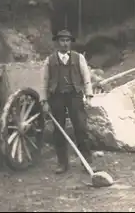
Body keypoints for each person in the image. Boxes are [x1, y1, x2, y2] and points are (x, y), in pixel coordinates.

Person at [41, 29, 95, 174]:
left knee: (81, 128)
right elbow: (45, 81)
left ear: (70, 42)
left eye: (67, 41)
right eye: (62, 41)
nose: (64, 44)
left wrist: (89, 96)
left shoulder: (79, 58)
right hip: (56, 97)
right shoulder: (50, 60)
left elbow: (86, 77)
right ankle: (62, 163)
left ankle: (87, 161)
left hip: (74, 96)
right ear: (57, 43)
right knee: (58, 131)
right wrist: (44, 101)